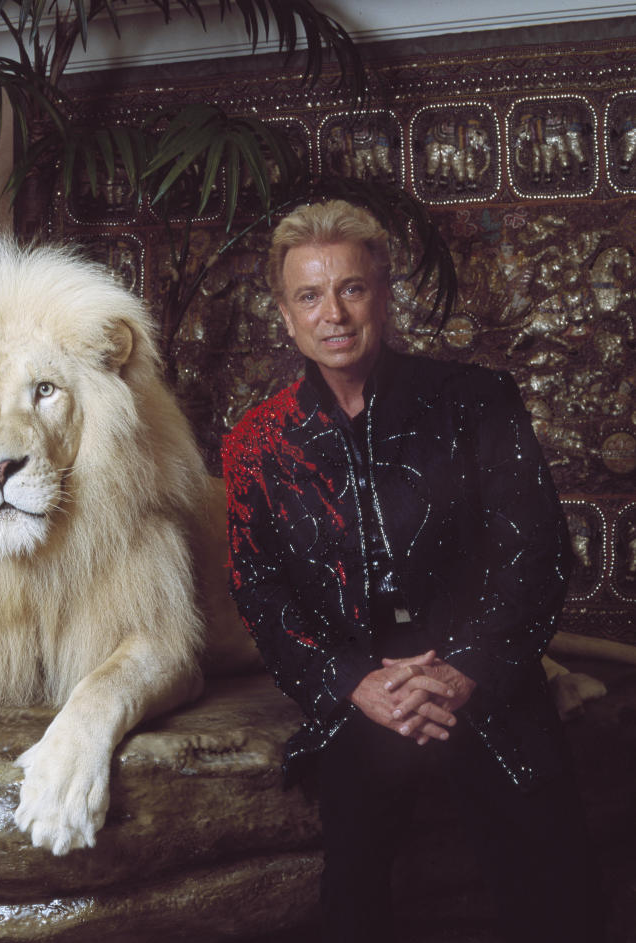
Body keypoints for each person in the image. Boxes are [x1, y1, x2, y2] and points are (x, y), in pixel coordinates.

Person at [222, 200, 595, 942]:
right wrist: (353, 683)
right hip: (358, 693)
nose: (333, 312)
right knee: (353, 885)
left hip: (483, 683)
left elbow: (538, 555)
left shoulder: (476, 402)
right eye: (309, 295)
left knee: (554, 882)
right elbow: (261, 595)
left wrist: (460, 672)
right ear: (286, 314)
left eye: (352, 288)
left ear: (385, 295)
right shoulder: (255, 444)